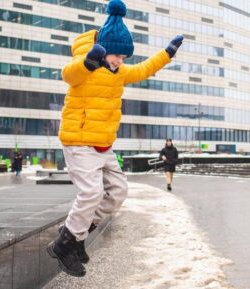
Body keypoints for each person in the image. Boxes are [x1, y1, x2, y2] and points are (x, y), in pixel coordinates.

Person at [46, 0, 184, 278]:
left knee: (118, 192)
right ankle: (64, 245)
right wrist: (87, 62)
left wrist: (167, 53)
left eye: (124, 57)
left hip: (104, 143)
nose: (121, 61)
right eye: (117, 55)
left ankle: (77, 234)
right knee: (91, 193)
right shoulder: (83, 66)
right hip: (79, 140)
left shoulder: (119, 73)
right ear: (105, 50)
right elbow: (68, 74)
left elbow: (144, 69)